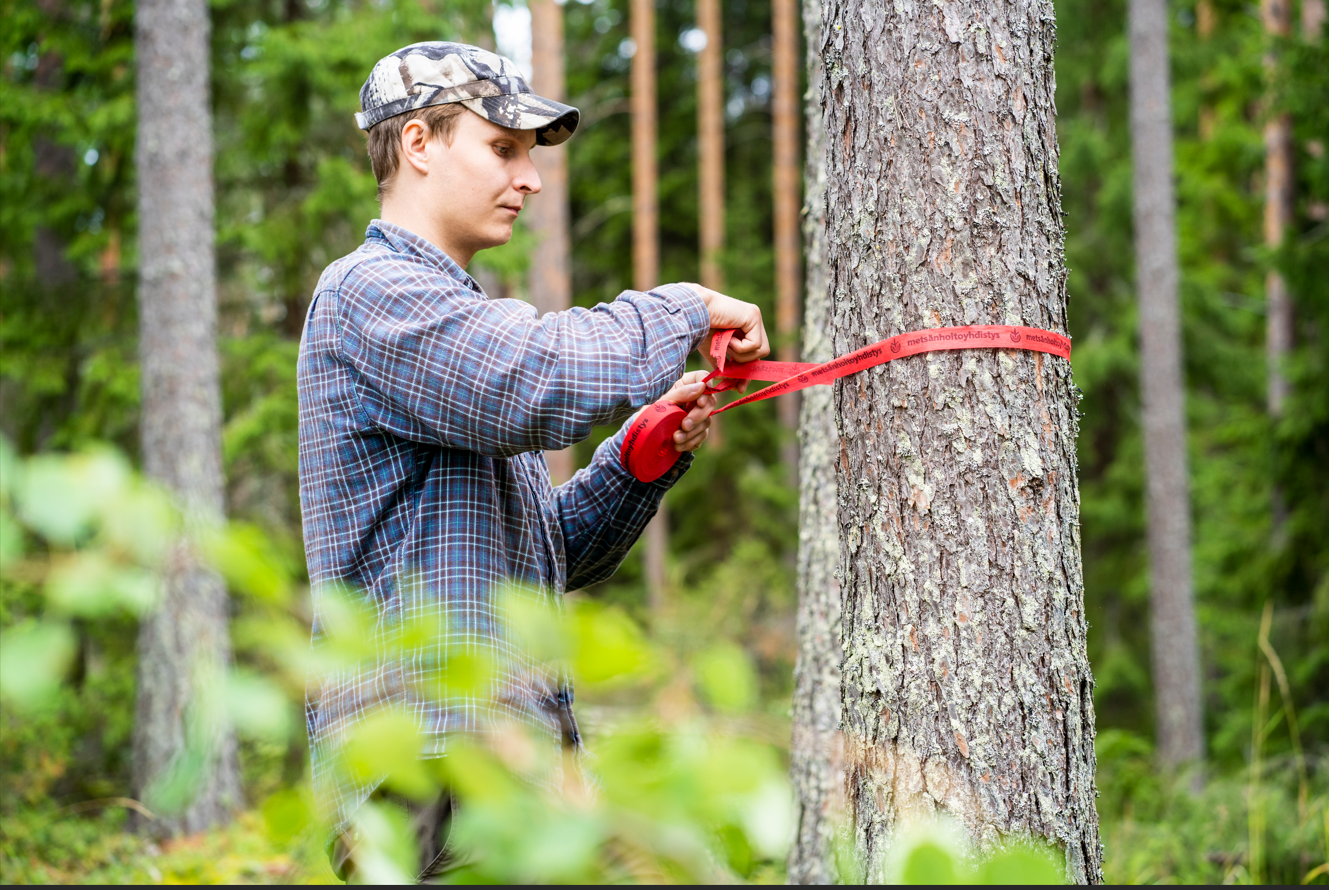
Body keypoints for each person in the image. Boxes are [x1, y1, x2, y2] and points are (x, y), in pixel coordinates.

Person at [296, 41, 769, 882]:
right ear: (417, 144)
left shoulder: (445, 323)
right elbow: (538, 378)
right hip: (434, 770)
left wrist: (638, 457)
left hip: (498, 769)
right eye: (502, 148)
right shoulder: (370, 293)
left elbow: (538, 559)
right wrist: (684, 309)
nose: (531, 178)